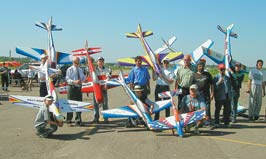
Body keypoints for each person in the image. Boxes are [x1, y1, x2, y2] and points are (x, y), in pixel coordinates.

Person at [65, 56, 86, 126]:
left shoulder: (80, 69)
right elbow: (67, 79)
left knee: (79, 104)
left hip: (79, 88)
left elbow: (83, 77)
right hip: (72, 87)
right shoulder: (69, 69)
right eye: (75, 62)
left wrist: (83, 80)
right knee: (70, 104)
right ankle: (69, 121)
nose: (77, 63)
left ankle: (78, 120)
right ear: (73, 62)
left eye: (78, 61)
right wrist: (74, 81)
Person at [192, 59, 214, 125]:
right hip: (197, 95)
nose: (201, 67)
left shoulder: (208, 74)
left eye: (202, 66)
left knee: (207, 108)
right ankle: (198, 122)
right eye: (199, 66)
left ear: (204, 66)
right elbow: (191, 86)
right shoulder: (194, 75)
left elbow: (212, 85)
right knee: (198, 108)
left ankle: (207, 122)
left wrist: (212, 93)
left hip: (206, 94)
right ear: (197, 66)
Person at [92, 56, 112, 124]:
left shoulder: (106, 69)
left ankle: (106, 118)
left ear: (103, 62)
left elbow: (108, 77)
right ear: (97, 62)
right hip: (96, 89)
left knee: (105, 104)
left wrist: (106, 85)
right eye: (99, 61)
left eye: (102, 61)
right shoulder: (94, 70)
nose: (100, 62)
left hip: (104, 89)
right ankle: (96, 118)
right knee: (95, 104)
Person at [212, 63, 232, 129]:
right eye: (221, 69)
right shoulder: (216, 77)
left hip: (227, 95)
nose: (222, 70)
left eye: (223, 69)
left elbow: (229, 87)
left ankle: (226, 122)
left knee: (227, 110)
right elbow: (214, 88)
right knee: (218, 110)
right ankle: (216, 122)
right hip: (219, 96)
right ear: (218, 69)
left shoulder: (227, 77)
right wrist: (218, 82)